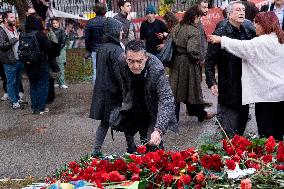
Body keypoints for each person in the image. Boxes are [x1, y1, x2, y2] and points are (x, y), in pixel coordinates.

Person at [209, 12, 284, 141]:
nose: (255, 28)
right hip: (281, 94)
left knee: (266, 135)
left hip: (266, 96)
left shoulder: (260, 42)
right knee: (279, 131)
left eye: (257, 24)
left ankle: (269, 158)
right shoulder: (281, 40)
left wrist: (221, 39)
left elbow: (241, 46)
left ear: (264, 25)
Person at [113, 39, 178, 149]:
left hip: (153, 104)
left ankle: (157, 156)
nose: (135, 66)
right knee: (136, 130)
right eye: (131, 61)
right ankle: (133, 151)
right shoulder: (121, 60)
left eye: (139, 61)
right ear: (125, 57)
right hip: (135, 100)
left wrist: (158, 130)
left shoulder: (156, 69)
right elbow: (124, 82)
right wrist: (126, 101)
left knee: (153, 142)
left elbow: (166, 99)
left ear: (146, 57)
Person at [205, 1, 255, 137]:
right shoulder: (220, 33)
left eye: (243, 10)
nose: (242, 12)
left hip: (245, 86)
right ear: (230, 14)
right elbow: (209, 61)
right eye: (238, 10)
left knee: (242, 124)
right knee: (229, 131)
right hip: (228, 84)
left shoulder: (249, 30)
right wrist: (211, 82)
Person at [90, 18, 135, 155]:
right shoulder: (115, 50)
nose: (122, 32)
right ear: (114, 31)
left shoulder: (102, 48)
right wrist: (126, 91)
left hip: (104, 89)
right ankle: (131, 147)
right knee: (127, 118)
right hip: (113, 91)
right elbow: (119, 74)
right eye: (120, 30)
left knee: (105, 122)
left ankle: (96, 150)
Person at [170, 6, 215, 123]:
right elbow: (192, 50)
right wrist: (198, 59)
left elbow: (172, 42)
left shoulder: (177, 27)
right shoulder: (194, 30)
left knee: (176, 93)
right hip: (189, 65)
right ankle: (201, 114)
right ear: (195, 17)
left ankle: (174, 120)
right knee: (193, 91)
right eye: (199, 18)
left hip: (176, 63)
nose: (199, 20)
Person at [24, 14, 53, 114]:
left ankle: (34, 108)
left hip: (28, 64)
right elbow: (49, 47)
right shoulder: (40, 35)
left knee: (33, 85)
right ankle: (41, 108)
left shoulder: (23, 35)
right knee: (42, 85)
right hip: (41, 63)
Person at [0, 11, 24, 109]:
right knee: (11, 82)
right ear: (6, 19)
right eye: (11, 17)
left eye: (14, 17)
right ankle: (14, 102)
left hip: (19, 59)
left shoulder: (14, 28)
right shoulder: (1, 31)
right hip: (10, 61)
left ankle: (17, 98)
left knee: (18, 81)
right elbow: (2, 45)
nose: (14, 19)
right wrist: (15, 39)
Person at [84, 2, 106, 84]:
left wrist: (89, 50)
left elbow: (87, 39)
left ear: (95, 11)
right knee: (107, 70)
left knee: (96, 70)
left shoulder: (90, 22)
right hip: (107, 49)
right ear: (104, 10)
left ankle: (97, 91)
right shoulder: (108, 21)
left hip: (95, 50)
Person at [51, 18, 68, 89]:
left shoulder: (62, 31)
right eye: (53, 23)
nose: (55, 24)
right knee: (55, 66)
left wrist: (58, 49)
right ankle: (58, 82)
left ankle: (62, 82)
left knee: (61, 66)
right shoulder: (51, 31)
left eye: (56, 23)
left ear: (59, 23)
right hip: (53, 51)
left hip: (60, 51)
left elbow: (63, 42)